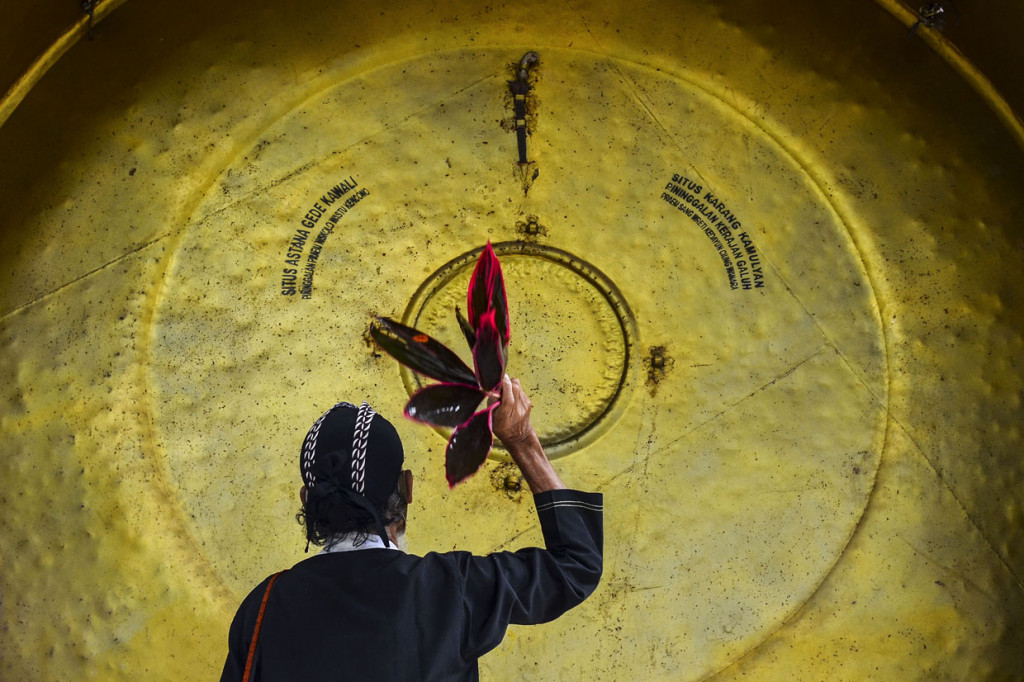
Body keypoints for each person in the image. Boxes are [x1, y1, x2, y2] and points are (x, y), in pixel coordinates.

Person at [220, 375, 603, 681]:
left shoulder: (262, 609)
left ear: (307, 499)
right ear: (407, 489)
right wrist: (521, 440)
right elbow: (575, 566)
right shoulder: (452, 589)